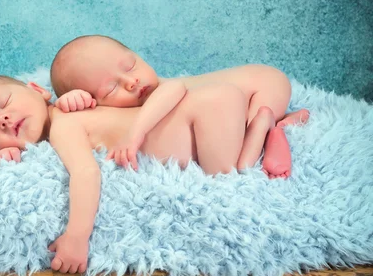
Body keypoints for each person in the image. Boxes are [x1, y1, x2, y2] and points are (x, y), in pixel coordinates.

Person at [0, 72, 301, 274]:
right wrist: (10, 149)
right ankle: (265, 124)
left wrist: (76, 237)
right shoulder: (74, 110)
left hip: (205, 112)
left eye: (4, 105)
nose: (2, 120)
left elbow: (86, 174)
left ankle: (264, 125)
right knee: (231, 165)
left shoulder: (65, 122)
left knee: (230, 176)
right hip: (210, 104)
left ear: (37, 90)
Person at [50, 35, 309, 178]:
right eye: (111, 89)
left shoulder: (162, 89)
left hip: (265, 86)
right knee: (233, 129)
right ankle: (276, 122)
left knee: (240, 159)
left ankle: (268, 124)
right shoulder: (106, 112)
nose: (132, 82)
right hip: (239, 101)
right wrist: (72, 101)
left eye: (130, 66)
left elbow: (173, 91)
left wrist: (135, 134)